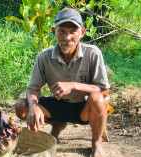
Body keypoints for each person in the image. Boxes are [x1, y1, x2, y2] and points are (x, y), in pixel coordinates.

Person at [15, 8, 110, 157]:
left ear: (82, 32)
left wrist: (73, 85)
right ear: (54, 32)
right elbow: (33, 88)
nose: (67, 37)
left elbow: (104, 91)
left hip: (84, 109)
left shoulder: (92, 53)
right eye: (62, 31)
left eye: (73, 31)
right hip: (58, 106)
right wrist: (34, 106)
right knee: (22, 106)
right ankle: (58, 124)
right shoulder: (44, 57)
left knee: (97, 98)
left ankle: (96, 143)